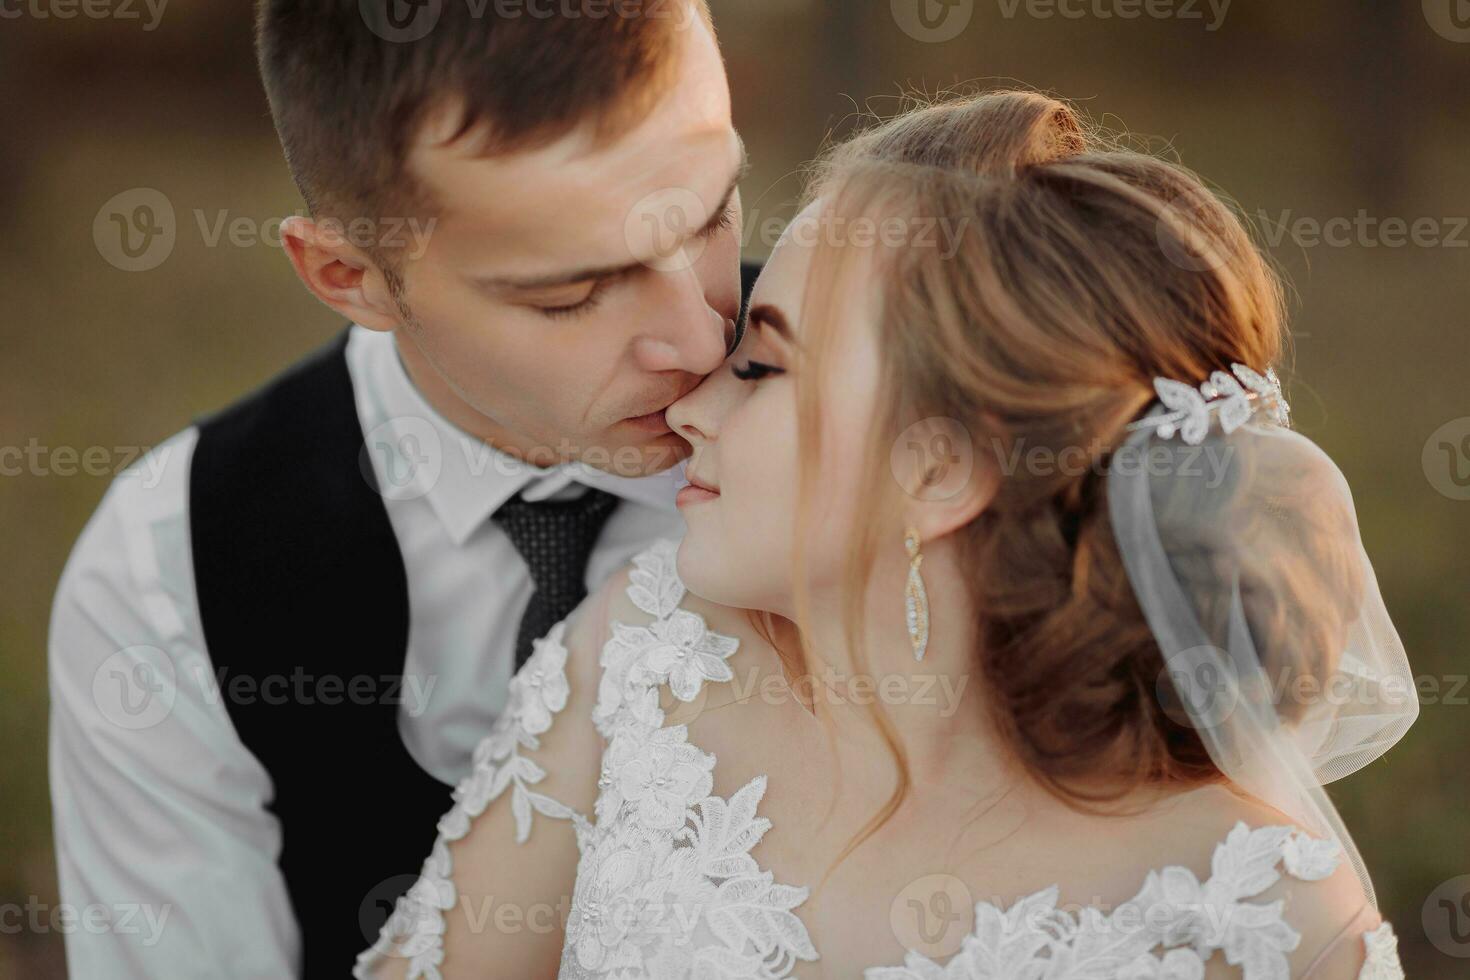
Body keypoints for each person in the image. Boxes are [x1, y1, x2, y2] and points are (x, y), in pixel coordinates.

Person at [360, 90, 1415, 979]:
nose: (694, 407)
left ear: (940, 467)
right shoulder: (645, 662)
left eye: (763, 368)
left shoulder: (1260, 906)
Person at [47, 1, 755, 975]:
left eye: (715, 210)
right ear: (350, 274)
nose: (702, 337)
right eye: (572, 293)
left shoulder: (903, 418)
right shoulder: (167, 579)